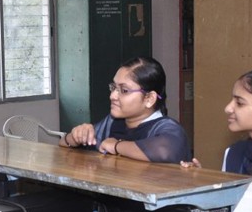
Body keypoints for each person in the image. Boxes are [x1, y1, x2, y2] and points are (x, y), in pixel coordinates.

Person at [59, 56, 191, 163]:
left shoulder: (167, 128)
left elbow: (163, 151)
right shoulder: (113, 121)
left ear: (149, 98)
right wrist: (75, 135)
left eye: (124, 90)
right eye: (113, 88)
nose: (112, 96)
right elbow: (63, 143)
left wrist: (116, 146)